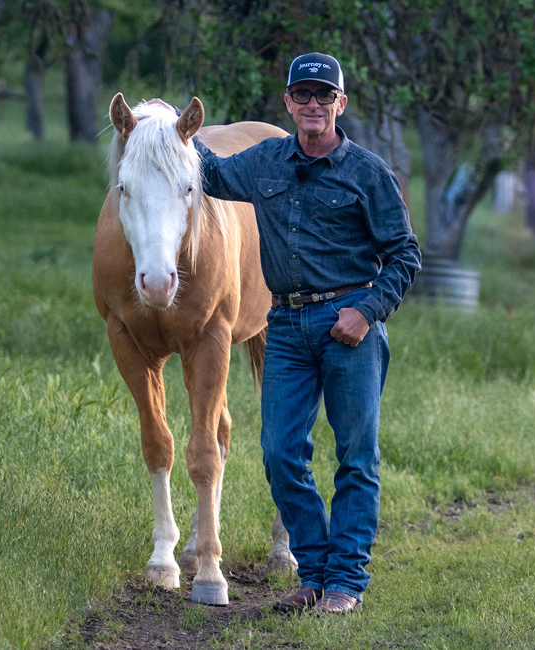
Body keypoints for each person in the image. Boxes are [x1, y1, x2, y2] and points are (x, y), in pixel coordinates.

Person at [192, 52, 422, 614]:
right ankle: (314, 574)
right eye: (304, 95)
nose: (314, 104)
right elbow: (209, 171)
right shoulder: (264, 162)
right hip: (287, 326)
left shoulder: (368, 173)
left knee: (354, 457)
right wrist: (163, 120)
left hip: (350, 325)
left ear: (340, 104)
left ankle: (345, 583)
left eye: (326, 96)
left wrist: (367, 312)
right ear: (289, 102)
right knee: (279, 453)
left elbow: (405, 255)